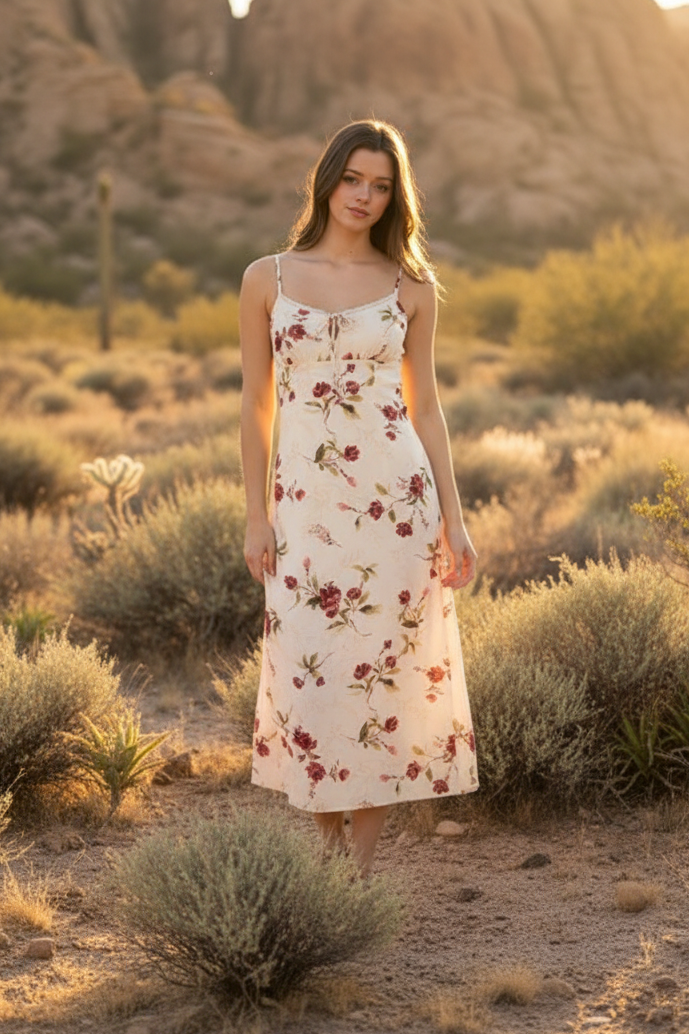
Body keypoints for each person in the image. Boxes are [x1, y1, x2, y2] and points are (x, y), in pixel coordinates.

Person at [240, 119, 478, 877]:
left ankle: (357, 871)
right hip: (304, 507)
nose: (365, 197)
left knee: (383, 673)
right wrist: (255, 515)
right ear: (327, 179)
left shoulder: (411, 288)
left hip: (394, 506)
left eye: (381, 186)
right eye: (354, 180)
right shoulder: (266, 278)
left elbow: (427, 408)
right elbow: (254, 406)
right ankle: (329, 847)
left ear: (393, 195)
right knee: (314, 673)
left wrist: (455, 520)